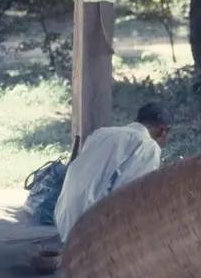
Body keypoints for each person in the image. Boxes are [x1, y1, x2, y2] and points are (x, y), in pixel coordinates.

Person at [54, 102, 172, 243]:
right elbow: (131, 193)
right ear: (163, 131)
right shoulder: (147, 145)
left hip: (64, 220)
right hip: (90, 229)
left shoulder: (101, 133)